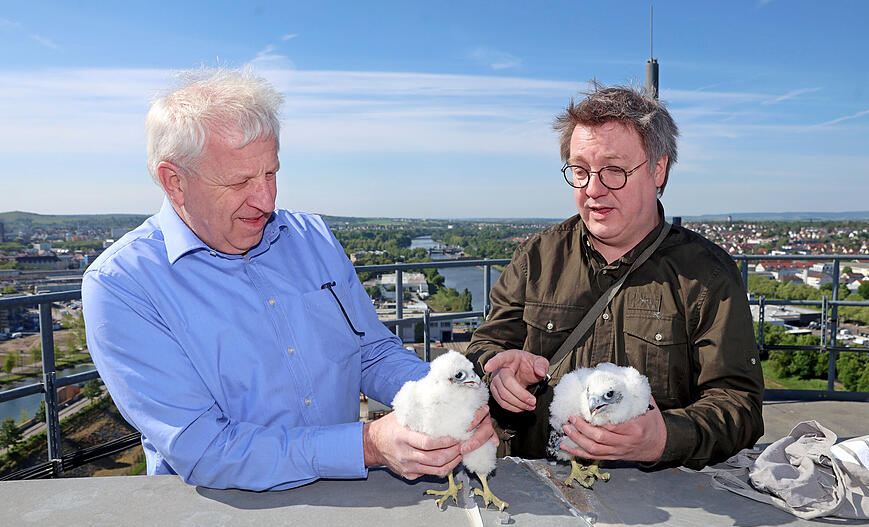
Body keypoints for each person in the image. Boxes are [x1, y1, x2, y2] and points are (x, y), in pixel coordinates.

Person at [82, 67, 495, 491]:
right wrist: (366, 445)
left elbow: (370, 352)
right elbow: (205, 450)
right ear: (175, 182)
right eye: (240, 181)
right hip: (221, 514)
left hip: (348, 496)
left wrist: (447, 399)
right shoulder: (123, 286)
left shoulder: (312, 238)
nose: (265, 200)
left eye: (270, 174)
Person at [466, 84, 764, 470]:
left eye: (613, 171)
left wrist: (664, 438)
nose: (593, 189)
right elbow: (485, 346)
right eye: (580, 171)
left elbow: (739, 405)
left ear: (658, 169)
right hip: (540, 488)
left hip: (658, 496)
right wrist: (496, 372)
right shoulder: (536, 259)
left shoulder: (707, 277)